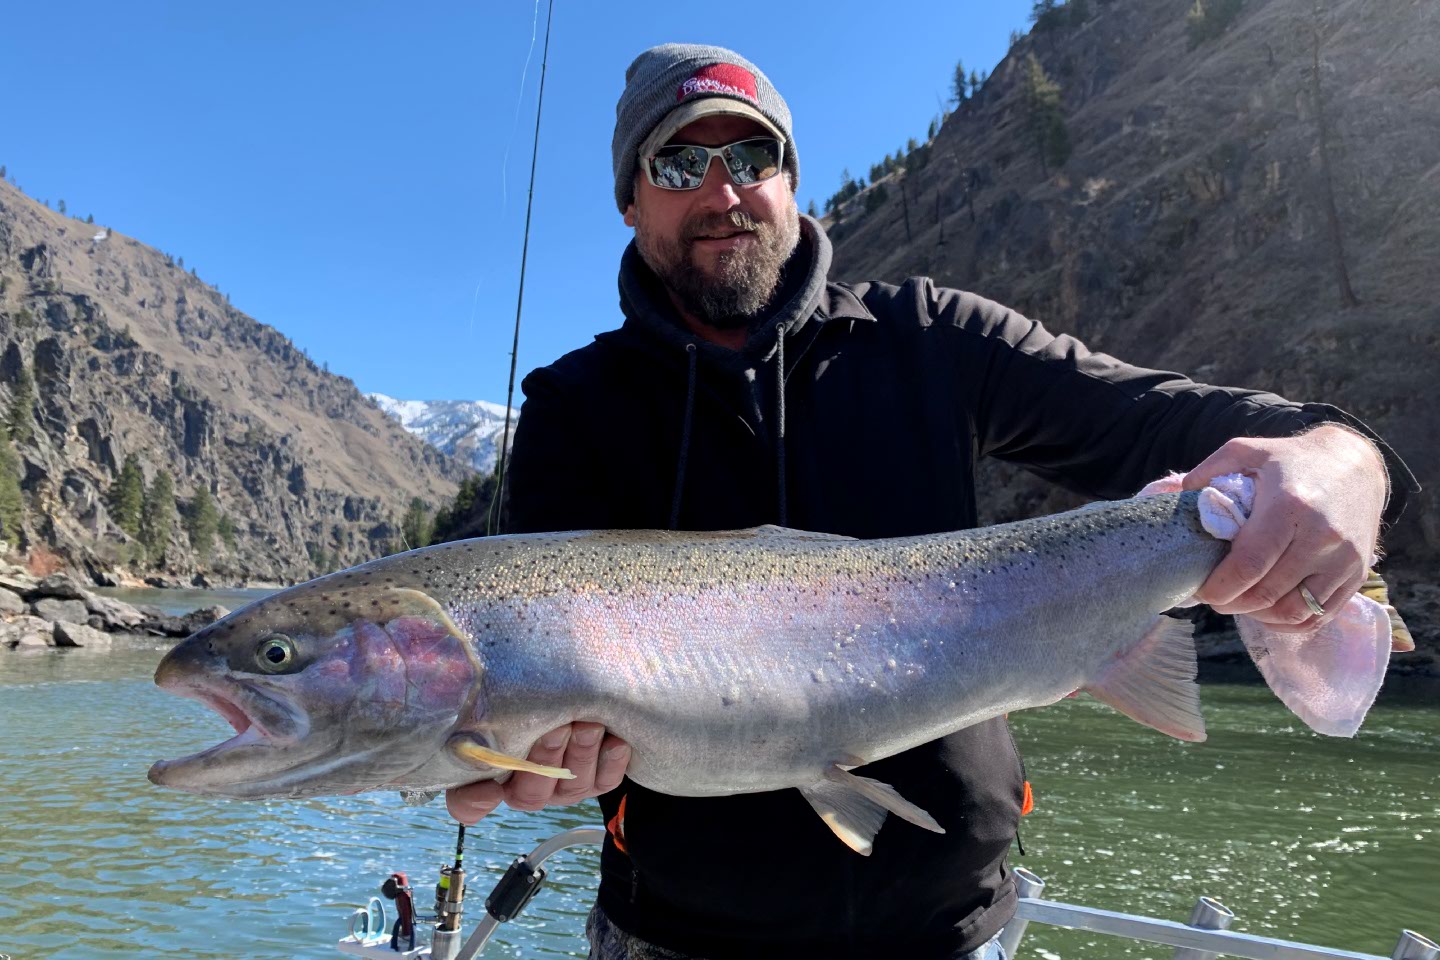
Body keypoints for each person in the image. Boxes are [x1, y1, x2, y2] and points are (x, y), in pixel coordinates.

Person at [448, 44, 1414, 960]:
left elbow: (1149, 421)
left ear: (789, 177)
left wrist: (1341, 454)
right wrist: (531, 754)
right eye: (678, 163)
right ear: (629, 200)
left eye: (751, 153)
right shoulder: (574, 408)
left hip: (953, 927)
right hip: (674, 932)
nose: (722, 189)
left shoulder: (931, 336)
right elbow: (534, 683)